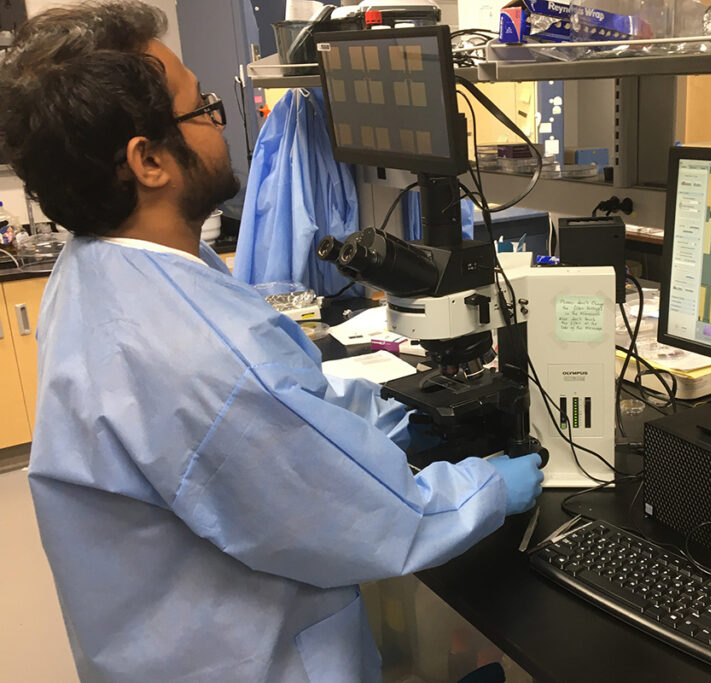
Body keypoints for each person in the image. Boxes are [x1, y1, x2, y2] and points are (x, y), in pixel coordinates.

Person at [0, 3, 544, 681]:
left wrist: (393, 422)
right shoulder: (194, 353)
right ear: (147, 161)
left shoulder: (100, 270)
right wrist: (486, 486)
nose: (217, 119)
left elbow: (284, 407)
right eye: (200, 107)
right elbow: (371, 518)